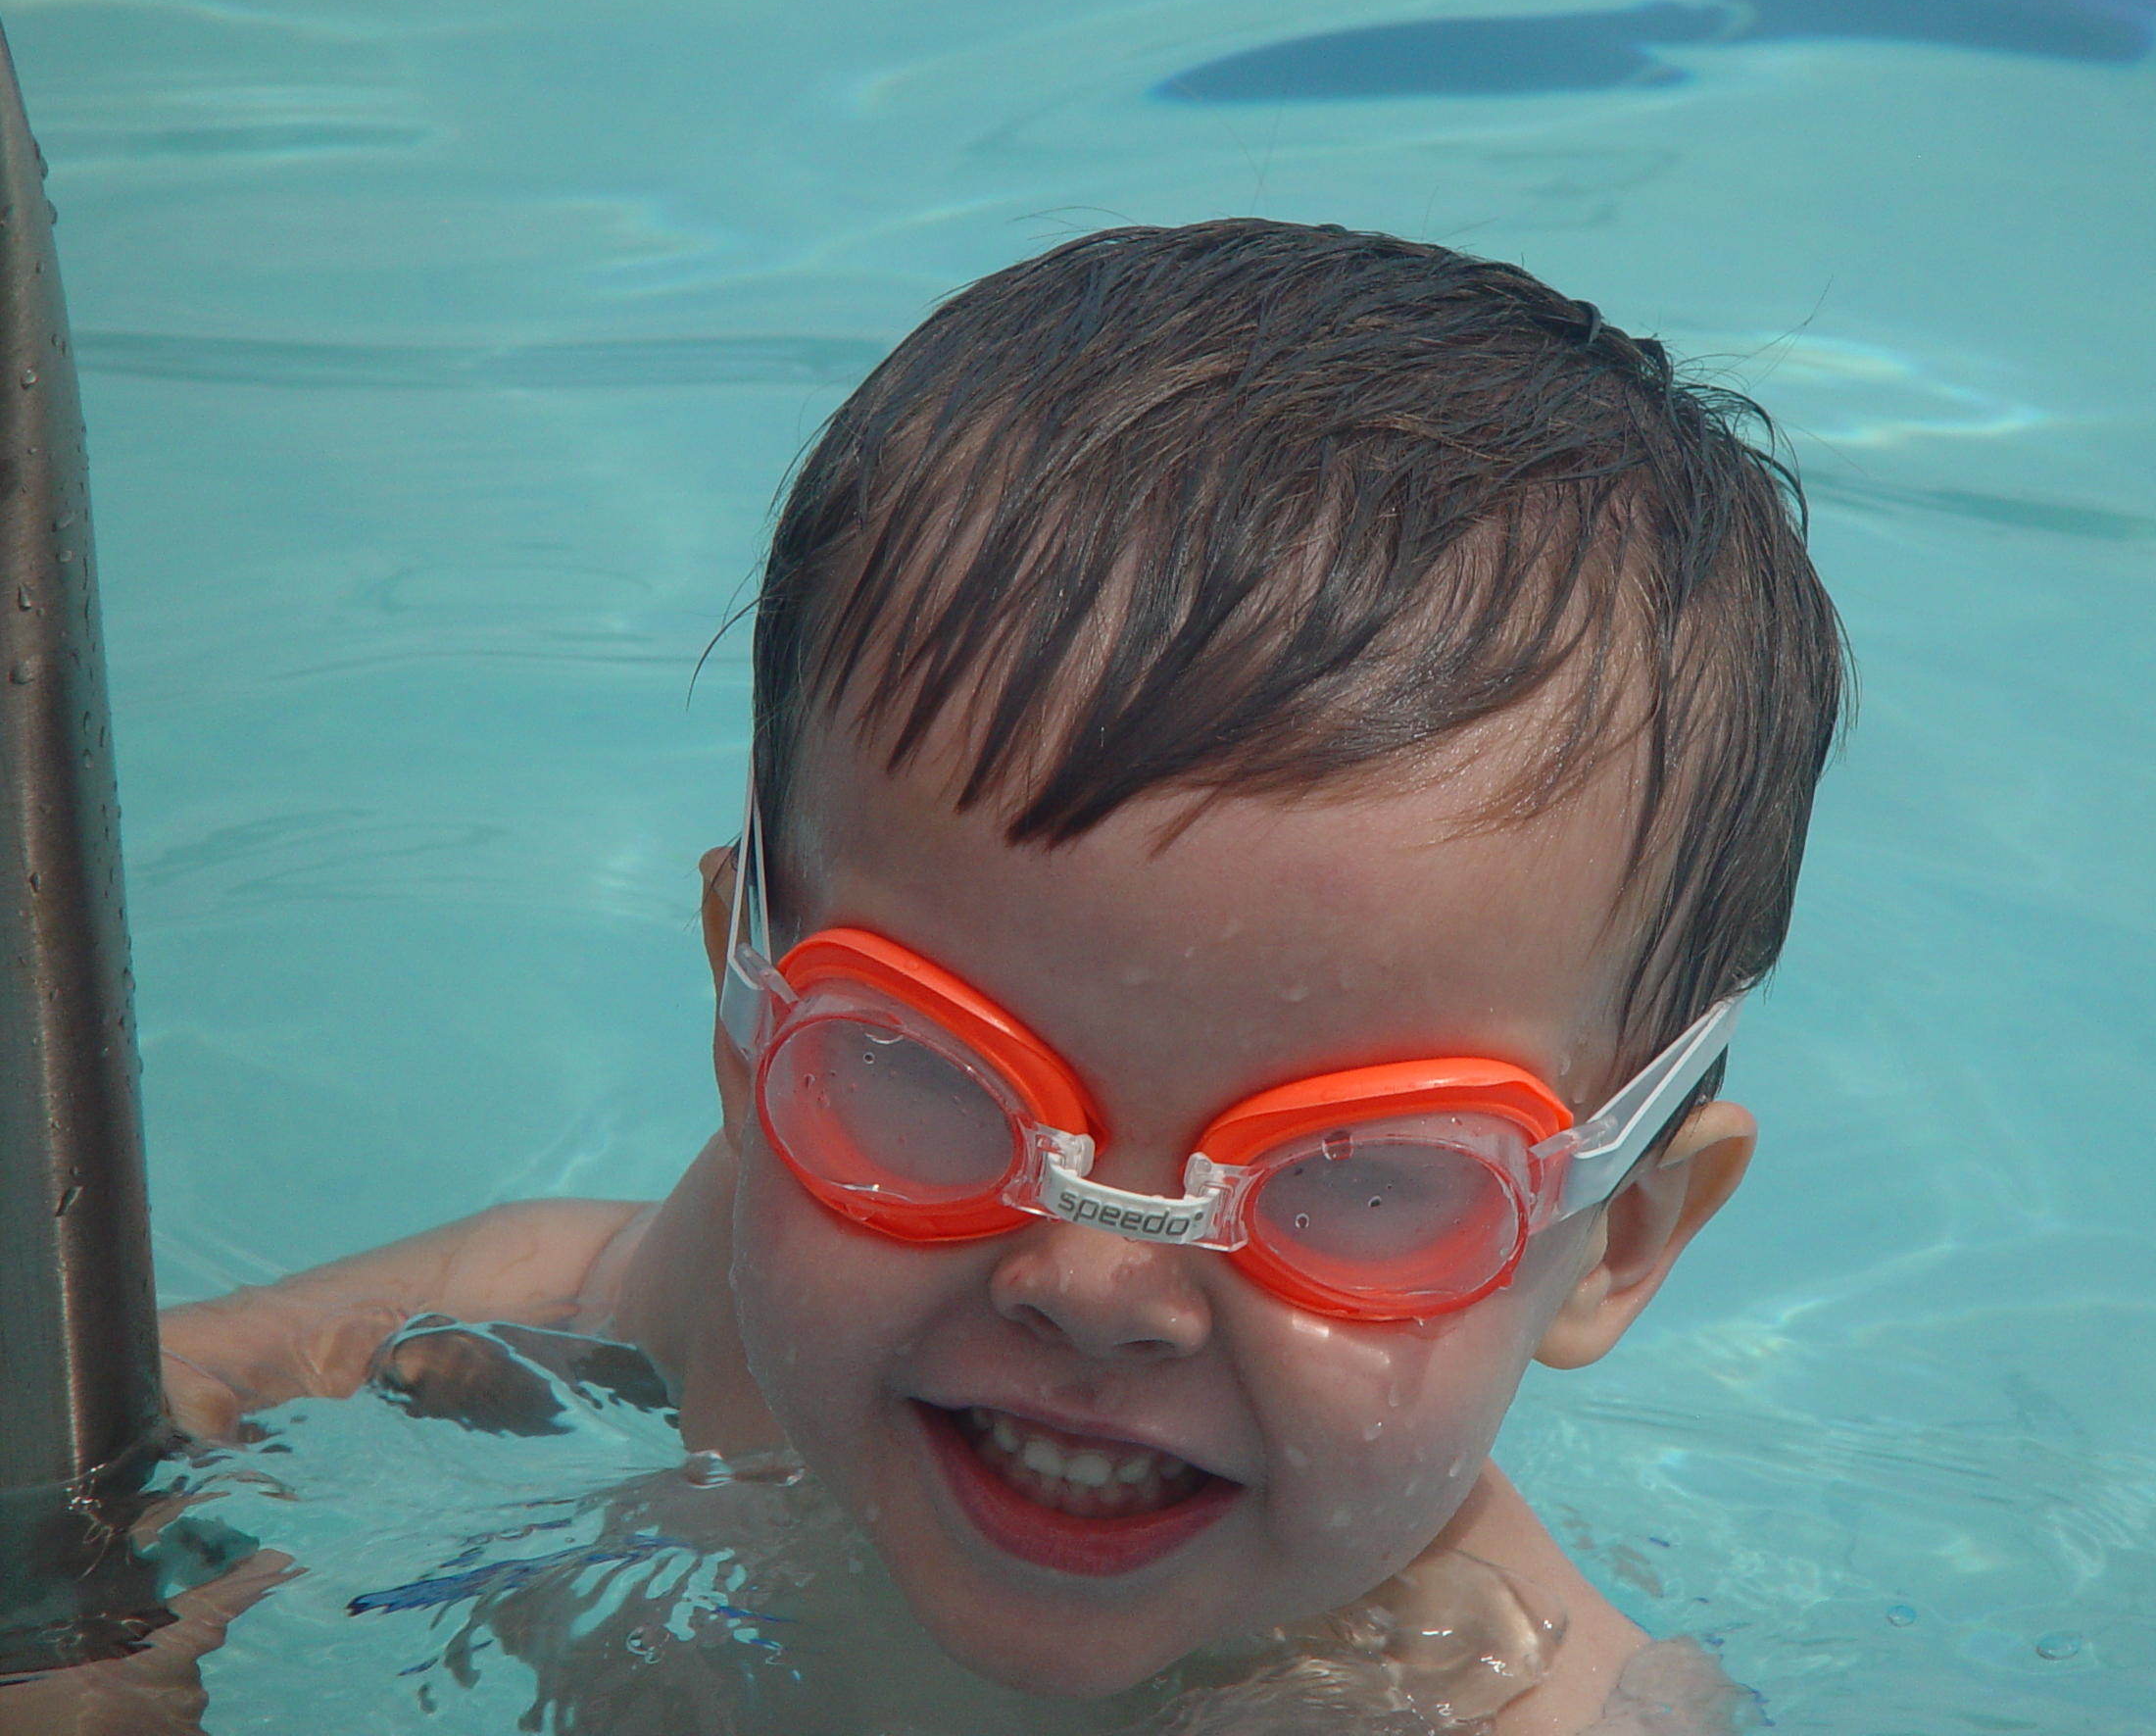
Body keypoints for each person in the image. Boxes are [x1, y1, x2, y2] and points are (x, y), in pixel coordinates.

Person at [123, 220, 1848, 1733]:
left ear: (1615, 1241)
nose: (1091, 1287)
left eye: (1361, 1181)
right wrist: (124, 1474)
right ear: (748, 1024)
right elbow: (553, 1278)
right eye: (935, 1079)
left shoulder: (1491, 1709)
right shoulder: (767, 1284)